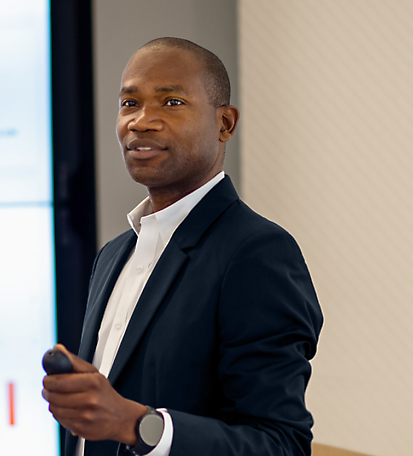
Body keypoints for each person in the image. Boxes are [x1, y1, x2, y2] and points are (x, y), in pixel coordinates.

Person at [42, 37, 323, 456]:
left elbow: (280, 444)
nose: (141, 121)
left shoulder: (256, 253)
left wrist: (136, 425)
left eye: (171, 103)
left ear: (225, 123)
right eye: (128, 103)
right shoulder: (114, 255)